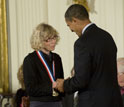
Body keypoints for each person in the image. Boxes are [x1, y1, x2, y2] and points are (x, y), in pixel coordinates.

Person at [55, 4, 123, 107]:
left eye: (69, 25)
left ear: (74, 20)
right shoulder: (107, 37)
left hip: (93, 102)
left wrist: (64, 85)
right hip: (113, 101)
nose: (71, 30)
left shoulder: (82, 43)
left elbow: (81, 80)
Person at [23, 23, 64, 107]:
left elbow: (60, 81)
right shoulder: (30, 60)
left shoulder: (57, 58)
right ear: (39, 40)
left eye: (54, 37)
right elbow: (30, 89)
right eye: (48, 39)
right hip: (39, 103)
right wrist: (51, 86)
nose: (54, 41)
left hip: (57, 102)